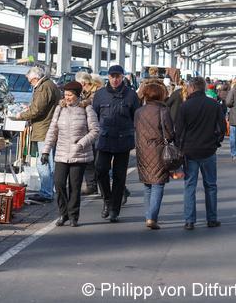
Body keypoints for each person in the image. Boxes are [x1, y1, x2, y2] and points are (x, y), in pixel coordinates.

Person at [41, 81, 98, 227]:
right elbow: (52, 131)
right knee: (59, 183)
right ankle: (63, 213)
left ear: (77, 95)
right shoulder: (60, 109)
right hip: (61, 152)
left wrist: (81, 144)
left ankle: (73, 216)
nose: (67, 97)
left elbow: (95, 131)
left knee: (75, 186)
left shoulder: (87, 109)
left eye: (70, 95)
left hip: (79, 154)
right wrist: (46, 151)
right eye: (65, 94)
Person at [93, 64, 140, 223]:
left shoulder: (131, 95)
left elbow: (137, 117)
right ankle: (107, 199)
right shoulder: (100, 95)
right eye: (112, 76)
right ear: (108, 77)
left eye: (118, 77)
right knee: (100, 171)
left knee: (120, 177)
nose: (115, 79)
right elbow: (95, 116)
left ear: (122, 77)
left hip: (123, 140)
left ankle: (114, 209)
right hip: (105, 139)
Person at [175, 76, 224, 230]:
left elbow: (179, 131)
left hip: (189, 152)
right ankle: (212, 218)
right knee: (210, 185)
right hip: (209, 150)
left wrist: (180, 148)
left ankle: (189, 221)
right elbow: (222, 127)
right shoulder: (214, 105)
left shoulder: (185, 106)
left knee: (190, 186)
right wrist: (216, 142)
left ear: (192, 88)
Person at [15, 66, 61, 203]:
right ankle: (48, 190)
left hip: (44, 128)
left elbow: (37, 110)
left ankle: (46, 192)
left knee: (44, 161)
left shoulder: (43, 87)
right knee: (49, 161)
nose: (30, 84)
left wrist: (21, 115)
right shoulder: (50, 85)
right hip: (49, 127)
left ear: (35, 78)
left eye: (30, 81)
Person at [135, 82, 174, 230]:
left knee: (147, 185)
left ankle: (148, 216)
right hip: (158, 151)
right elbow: (169, 133)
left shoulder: (138, 112)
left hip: (142, 150)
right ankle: (152, 217)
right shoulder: (163, 111)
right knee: (158, 184)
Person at [77, 72, 103, 195]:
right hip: (88, 129)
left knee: (99, 162)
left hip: (97, 129)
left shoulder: (96, 93)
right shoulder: (85, 93)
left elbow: (91, 105)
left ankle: (117, 190)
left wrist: (80, 103)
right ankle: (91, 185)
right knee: (89, 160)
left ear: (83, 83)